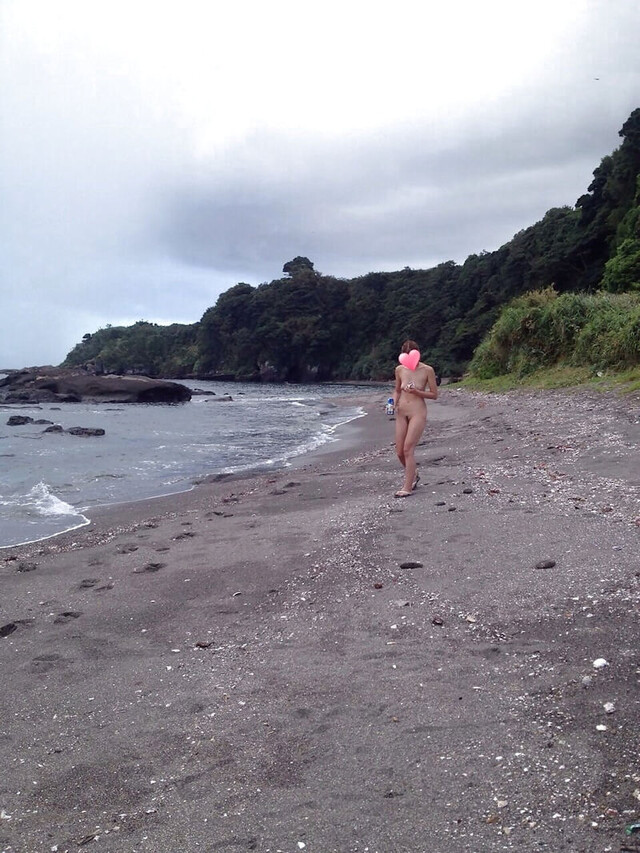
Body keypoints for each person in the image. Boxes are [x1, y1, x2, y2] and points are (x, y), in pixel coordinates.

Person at [392, 339, 438, 497]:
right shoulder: (399, 369)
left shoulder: (427, 370)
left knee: (408, 449)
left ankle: (407, 487)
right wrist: (392, 403)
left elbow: (434, 394)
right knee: (399, 452)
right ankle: (414, 474)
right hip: (401, 412)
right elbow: (397, 390)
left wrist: (417, 392)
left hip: (417, 412)